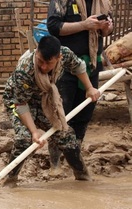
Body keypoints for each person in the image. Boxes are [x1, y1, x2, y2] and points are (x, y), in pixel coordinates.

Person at [2, 35, 100, 187]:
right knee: (24, 139)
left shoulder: (65, 54)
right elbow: (21, 104)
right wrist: (35, 131)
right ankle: (10, 181)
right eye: (40, 61)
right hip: (15, 101)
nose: (43, 67)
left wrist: (89, 88)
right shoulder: (25, 69)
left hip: (43, 99)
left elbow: (78, 66)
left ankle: (82, 177)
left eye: (48, 63)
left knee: (66, 136)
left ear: (58, 58)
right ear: (37, 53)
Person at [46, 0, 113, 174]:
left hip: (91, 63)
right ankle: (54, 163)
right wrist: (84, 25)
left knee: (84, 113)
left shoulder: (102, 2)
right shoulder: (62, 1)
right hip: (65, 65)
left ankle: (74, 158)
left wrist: (106, 28)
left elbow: (106, 32)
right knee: (61, 113)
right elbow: (53, 27)